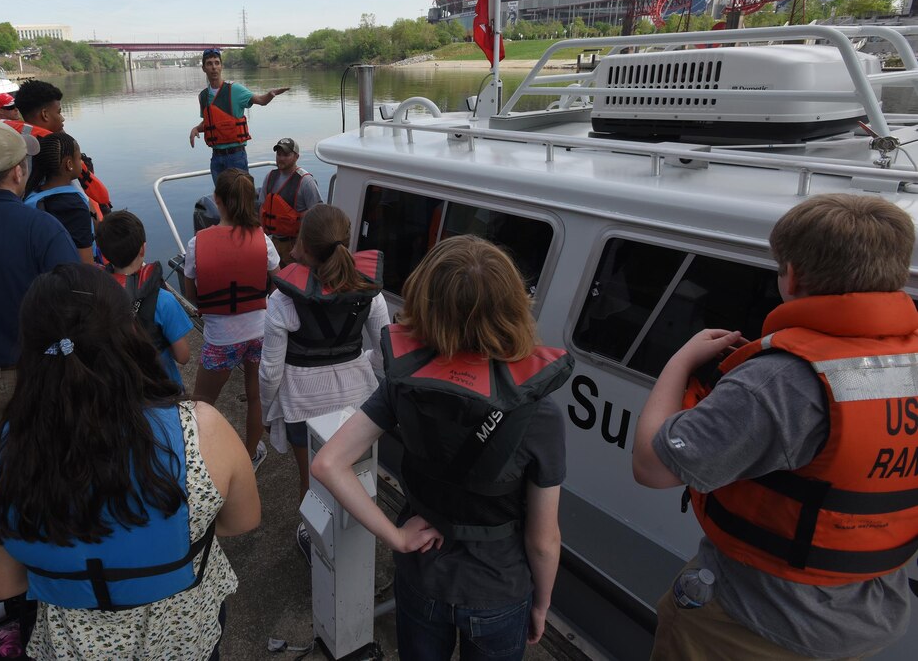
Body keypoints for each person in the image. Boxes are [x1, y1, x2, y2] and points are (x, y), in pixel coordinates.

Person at [632, 193, 918, 661]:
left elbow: (652, 466)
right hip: (868, 615)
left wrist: (681, 361)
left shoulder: (778, 382)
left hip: (754, 622)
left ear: (792, 277)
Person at [0, 263, 261, 661]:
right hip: (184, 638)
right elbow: (242, 520)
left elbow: (3, 584)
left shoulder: (9, 456)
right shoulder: (202, 429)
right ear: (126, 335)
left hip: (74, 647)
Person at [311, 235, 573, 661]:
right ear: (514, 307)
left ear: (425, 305)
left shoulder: (403, 384)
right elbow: (544, 541)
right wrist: (541, 603)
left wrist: (395, 536)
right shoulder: (539, 414)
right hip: (498, 592)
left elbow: (328, 464)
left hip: (422, 579)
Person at [259, 203, 388, 562]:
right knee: (359, 475)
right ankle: (358, 545)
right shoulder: (370, 293)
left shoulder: (281, 301)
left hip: (304, 408)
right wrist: (361, 363)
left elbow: (270, 371)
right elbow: (385, 352)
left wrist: (270, 410)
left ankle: (315, 541)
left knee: (314, 481)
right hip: (361, 405)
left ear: (304, 243)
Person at [0, 122, 78, 576]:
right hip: (37, 377)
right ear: (18, 173)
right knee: (47, 468)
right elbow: (75, 309)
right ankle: (45, 559)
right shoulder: (44, 228)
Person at [184, 168, 280, 472]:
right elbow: (276, 284)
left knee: (201, 402)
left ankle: (199, 459)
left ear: (217, 200)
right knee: (255, 396)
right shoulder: (263, 241)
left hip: (220, 338)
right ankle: (250, 455)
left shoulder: (196, 244)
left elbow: (192, 294)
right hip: (259, 333)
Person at [96, 210, 193, 390]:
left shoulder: (97, 294)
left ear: (103, 253)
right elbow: (183, 356)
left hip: (118, 387)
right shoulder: (164, 300)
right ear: (143, 248)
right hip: (160, 388)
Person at [6, 80, 113, 218]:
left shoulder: (12, 143)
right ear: (45, 114)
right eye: (59, 112)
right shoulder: (57, 153)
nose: (62, 119)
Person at [188, 48, 289, 184]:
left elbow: (260, 100)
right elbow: (208, 122)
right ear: (203, 68)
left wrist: (270, 95)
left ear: (221, 66)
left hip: (235, 156)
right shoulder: (203, 96)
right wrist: (196, 129)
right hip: (216, 158)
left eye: (217, 63)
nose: (214, 67)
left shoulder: (235, 90)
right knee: (222, 200)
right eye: (209, 64)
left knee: (240, 199)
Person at [23, 131, 96, 264]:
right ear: (69, 164)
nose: (81, 162)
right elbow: (86, 265)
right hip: (69, 279)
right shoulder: (74, 207)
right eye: (79, 158)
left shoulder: (31, 194)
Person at [258, 137, 323, 268]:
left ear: (296, 157)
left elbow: (318, 215)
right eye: (279, 154)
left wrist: (300, 246)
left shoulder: (306, 181)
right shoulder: (270, 176)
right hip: (274, 242)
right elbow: (262, 208)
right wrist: (261, 239)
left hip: (295, 244)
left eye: (286, 155)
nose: (281, 158)